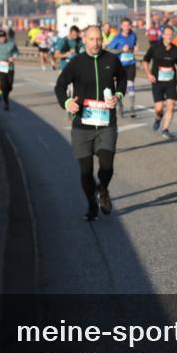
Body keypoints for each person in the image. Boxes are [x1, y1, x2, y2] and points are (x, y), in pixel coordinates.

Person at [54, 25, 127, 221]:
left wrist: (118, 95)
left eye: (99, 39)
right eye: (92, 39)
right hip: (82, 126)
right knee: (86, 172)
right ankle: (91, 204)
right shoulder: (76, 63)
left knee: (107, 166)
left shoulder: (111, 60)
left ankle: (103, 190)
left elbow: (122, 79)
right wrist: (67, 102)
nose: (96, 43)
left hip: (106, 124)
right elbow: (60, 86)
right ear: (84, 40)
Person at [142, 26, 177, 137]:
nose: (169, 36)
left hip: (171, 81)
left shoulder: (176, 49)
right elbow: (145, 61)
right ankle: (158, 118)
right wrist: (148, 74)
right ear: (163, 35)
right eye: (167, 34)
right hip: (157, 81)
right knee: (159, 108)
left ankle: (165, 129)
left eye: (171, 34)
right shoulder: (155, 48)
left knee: (171, 105)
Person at [107, 18, 139, 119]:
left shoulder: (133, 35)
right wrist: (121, 50)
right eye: (124, 25)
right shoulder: (117, 38)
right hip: (120, 65)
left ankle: (132, 108)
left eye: (128, 25)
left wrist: (135, 47)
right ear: (121, 26)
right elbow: (109, 50)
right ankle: (120, 105)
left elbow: (134, 44)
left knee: (130, 84)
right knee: (120, 87)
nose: (126, 28)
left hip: (131, 64)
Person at [0, 30, 19, 111]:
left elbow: (17, 52)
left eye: (3, 37)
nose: (2, 39)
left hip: (10, 67)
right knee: (3, 85)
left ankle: (6, 93)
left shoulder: (11, 44)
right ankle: (6, 103)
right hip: (1, 68)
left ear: (6, 37)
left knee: (9, 86)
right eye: (0, 37)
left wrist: (13, 57)